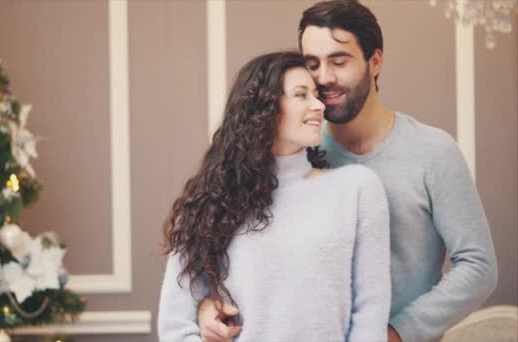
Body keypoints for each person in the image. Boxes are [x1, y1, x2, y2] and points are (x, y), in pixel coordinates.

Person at [196, 1, 498, 342]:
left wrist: (397, 332)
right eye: (313, 64)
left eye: (339, 61)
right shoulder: (295, 154)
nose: (324, 77)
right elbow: (245, 248)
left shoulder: (434, 152)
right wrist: (208, 300)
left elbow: (478, 266)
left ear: (376, 61)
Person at [158, 51, 391, 342]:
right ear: (264, 108)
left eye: (316, 95)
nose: (318, 105)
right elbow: (175, 326)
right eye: (301, 95)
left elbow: (370, 310)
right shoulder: (212, 202)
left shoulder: (357, 189)